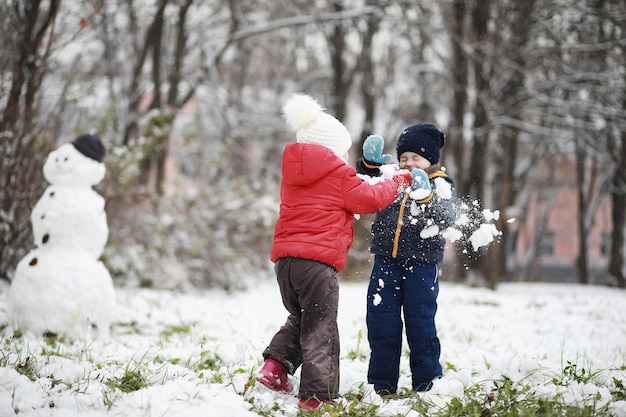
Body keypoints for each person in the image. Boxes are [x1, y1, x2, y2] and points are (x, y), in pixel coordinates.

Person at [256, 93, 412, 410]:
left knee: (301, 319)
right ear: (333, 151)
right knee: (321, 329)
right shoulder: (338, 175)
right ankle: (317, 397)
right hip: (316, 267)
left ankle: (275, 369)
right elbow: (368, 199)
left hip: (285, 265)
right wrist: (398, 180)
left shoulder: (295, 178)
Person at [356, 124, 458, 395]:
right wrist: (367, 164)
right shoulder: (394, 178)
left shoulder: (441, 184)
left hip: (422, 265)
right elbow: (363, 184)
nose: (408, 163)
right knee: (381, 322)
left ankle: (428, 384)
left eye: (416, 158)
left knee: (420, 323)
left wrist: (426, 198)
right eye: (403, 158)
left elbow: (447, 216)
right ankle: (381, 385)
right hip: (385, 262)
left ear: (431, 159)